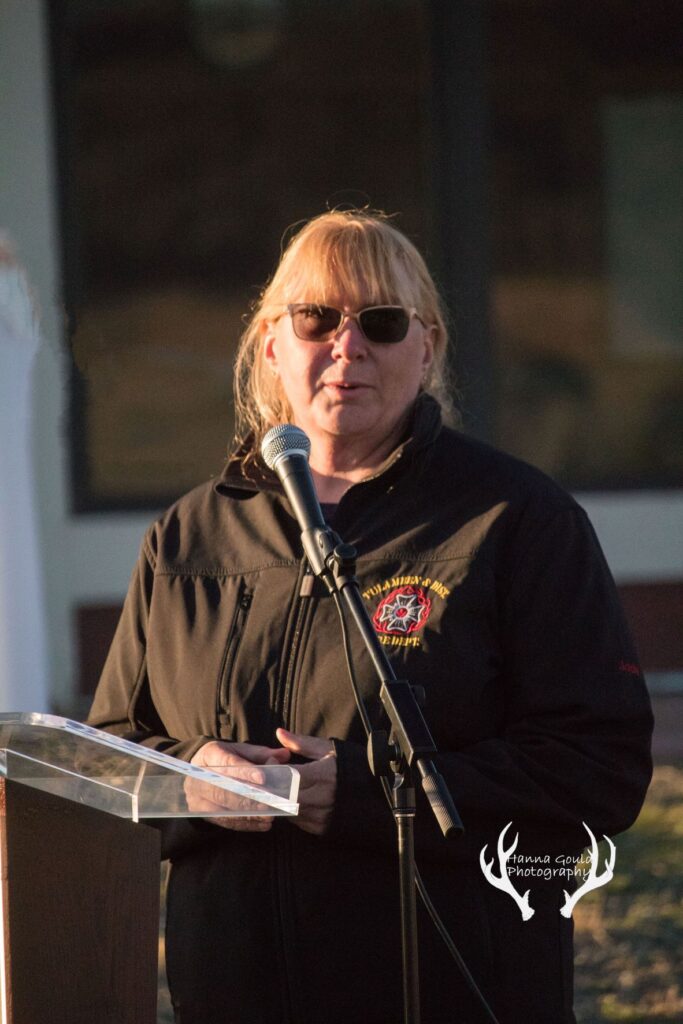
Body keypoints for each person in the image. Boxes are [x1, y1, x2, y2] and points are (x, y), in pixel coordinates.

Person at [88, 209, 653, 1024]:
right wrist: (192, 778)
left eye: (381, 322)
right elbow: (109, 750)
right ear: (271, 345)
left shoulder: (514, 519)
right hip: (233, 994)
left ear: (427, 350)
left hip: (450, 988)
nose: (346, 346)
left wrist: (368, 795)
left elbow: (596, 768)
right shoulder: (186, 537)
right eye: (315, 317)